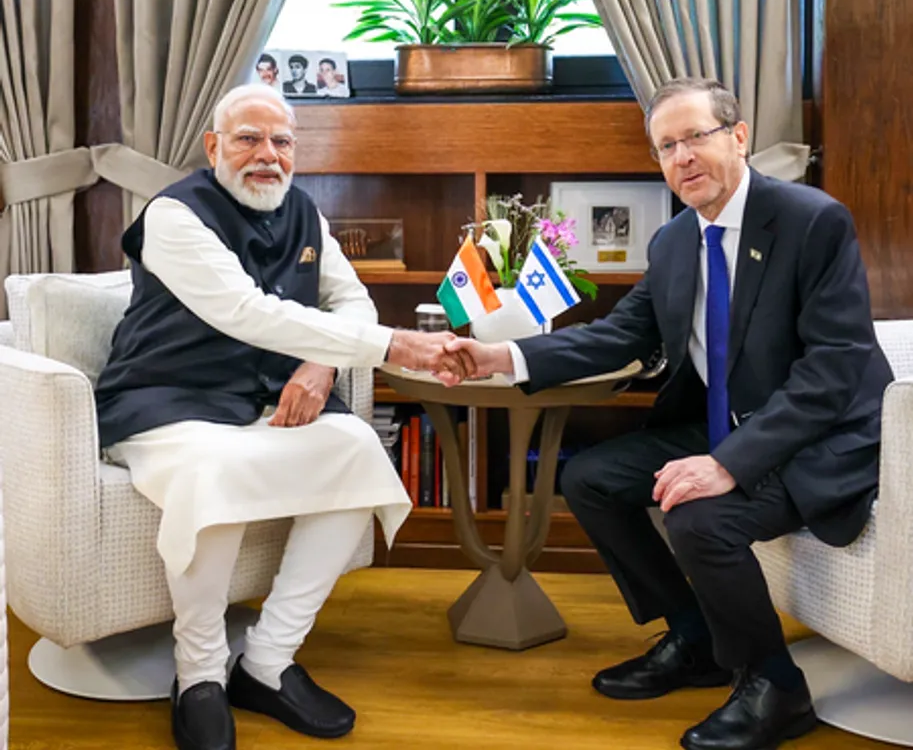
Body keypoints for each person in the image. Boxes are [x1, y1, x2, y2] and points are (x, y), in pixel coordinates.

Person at [437, 77, 892, 750]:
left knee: (699, 516)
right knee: (590, 477)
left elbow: (831, 371)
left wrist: (724, 464)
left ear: (738, 138)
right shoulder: (674, 241)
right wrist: (501, 356)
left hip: (813, 437)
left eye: (695, 138)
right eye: (664, 147)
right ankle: (693, 636)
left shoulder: (810, 220)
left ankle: (774, 685)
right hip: (726, 424)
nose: (680, 158)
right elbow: (620, 336)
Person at [95, 84, 465, 750]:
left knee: (356, 448)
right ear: (213, 146)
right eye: (248, 139)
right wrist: (394, 346)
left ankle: (267, 661)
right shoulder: (174, 216)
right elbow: (245, 311)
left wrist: (319, 366)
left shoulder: (304, 213)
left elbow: (350, 301)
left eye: (283, 142)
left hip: (264, 397)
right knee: (215, 471)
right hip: (165, 396)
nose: (268, 155)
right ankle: (200, 673)